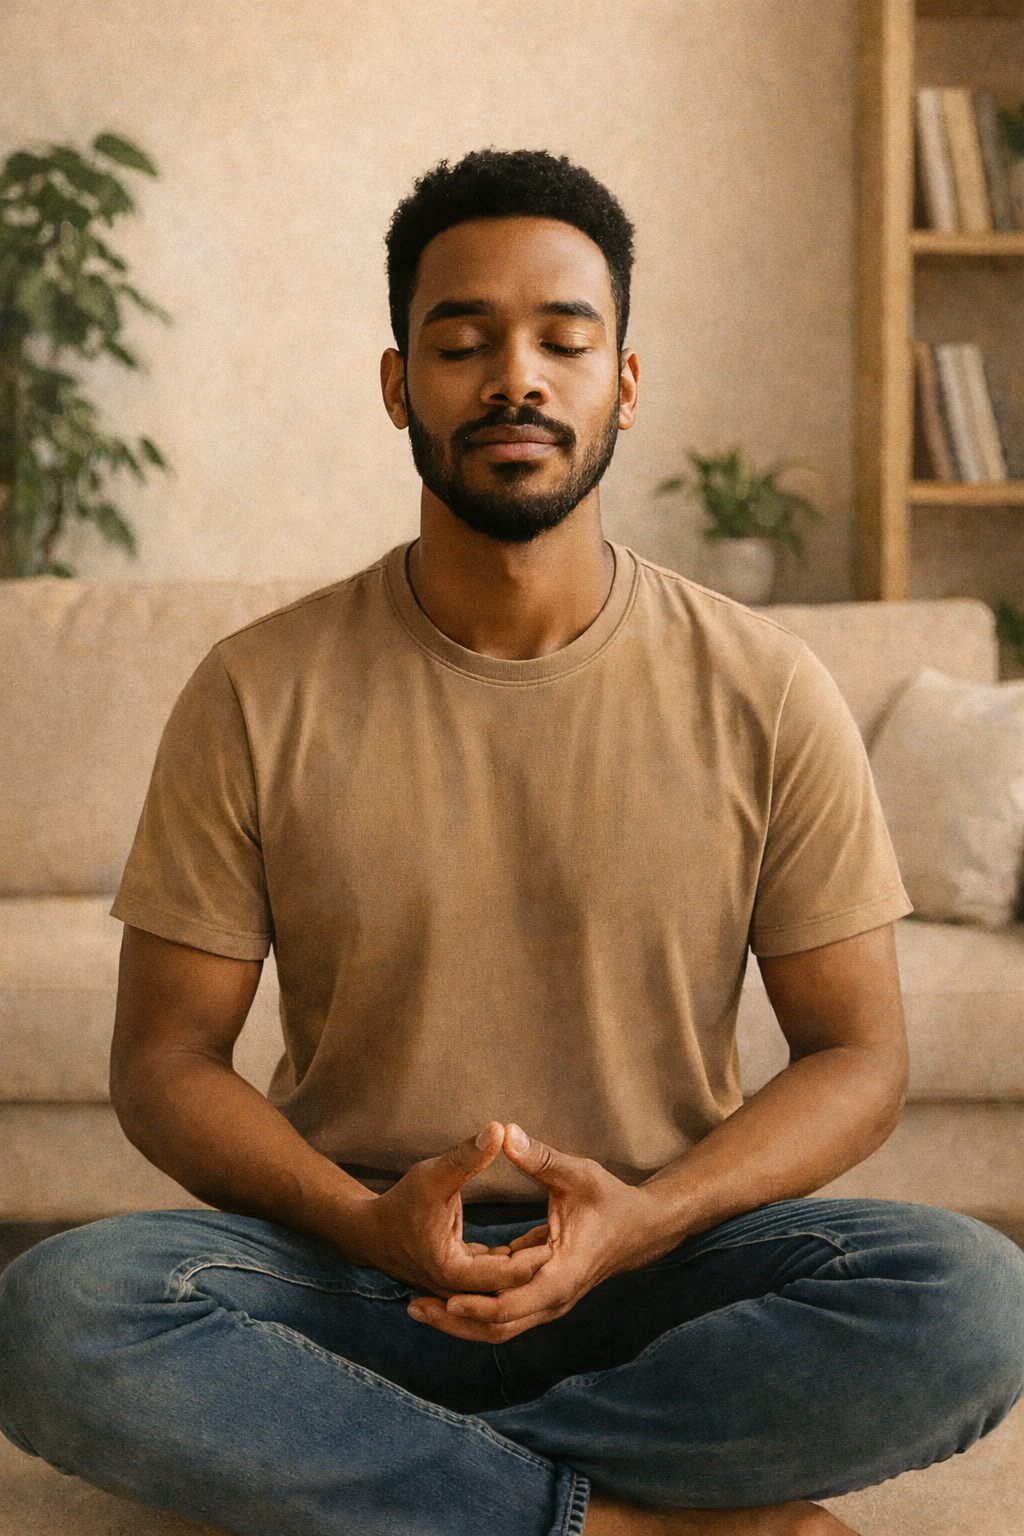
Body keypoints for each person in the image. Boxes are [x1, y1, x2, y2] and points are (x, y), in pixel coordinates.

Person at [1, 149, 1022, 1536]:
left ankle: (378, 1479)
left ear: (627, 381)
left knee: (970, 1298)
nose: (515, 378)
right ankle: (629, 1521)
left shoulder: (767, 689)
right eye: (462, 341)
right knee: (57, 1318)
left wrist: (647, 1220)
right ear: (396, 384)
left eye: (562, 339)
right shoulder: (257, 689)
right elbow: (165, 1061)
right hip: (354, 1267)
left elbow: (860, 1055)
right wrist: (362, 1225)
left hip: (660, 1267)